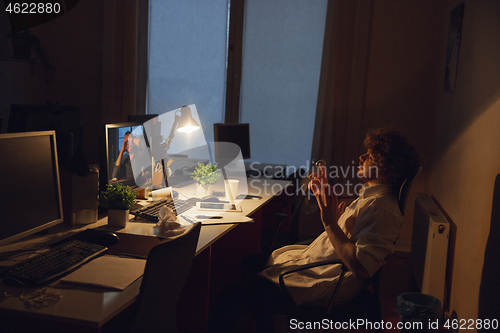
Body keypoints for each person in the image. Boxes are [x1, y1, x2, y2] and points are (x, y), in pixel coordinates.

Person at [207, 128, 421, 333]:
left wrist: (329, 222)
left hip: (322, 284)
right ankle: (266, 327)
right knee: (249, 263)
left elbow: (362, 268)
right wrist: (329, 212)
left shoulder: (382, 208)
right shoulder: (371, 198)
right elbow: (353, 238)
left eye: (371, 156)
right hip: (316, 267)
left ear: (386, 168)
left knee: (228, 297)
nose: (362, 156)